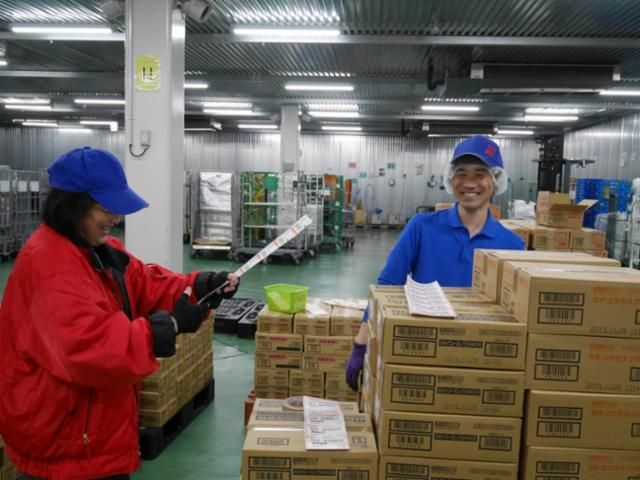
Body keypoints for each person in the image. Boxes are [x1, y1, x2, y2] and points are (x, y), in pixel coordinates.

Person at [0, 147, 239, 480]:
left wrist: (198, 285)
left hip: (91, 430)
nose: (115, 218)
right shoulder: (51, 265)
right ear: (71, 205)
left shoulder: (96, 250)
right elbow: (91, 348)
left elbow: (143, 283)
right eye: (106, 208)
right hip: (65, 442)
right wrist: (168, 325)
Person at [345, 135, 524, 391]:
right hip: (423, 351)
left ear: (496, 181)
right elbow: (388, 283)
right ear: (450, 179)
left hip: (480, 361)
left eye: (480, 174)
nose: (469, 183)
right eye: (461, 173)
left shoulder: (512, 245)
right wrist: (361, 343)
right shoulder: (422, 227)